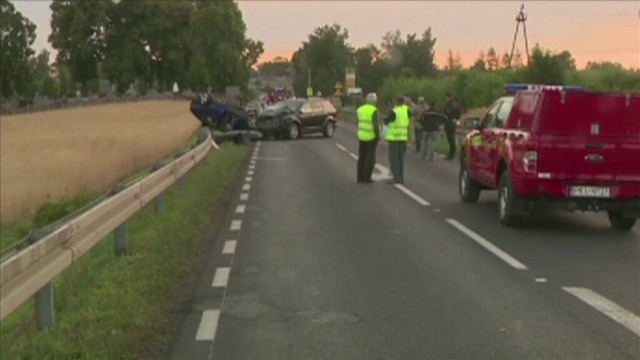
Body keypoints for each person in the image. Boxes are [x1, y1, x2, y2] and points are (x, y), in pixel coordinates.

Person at [383, 96, 410, 184]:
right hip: (403, 137)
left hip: (394, 138)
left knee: (394, 159)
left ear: (397, 102)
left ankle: (396, 178)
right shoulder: (407, 110)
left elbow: (386, 121)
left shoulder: (394, 111)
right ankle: (401, 177)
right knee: (400, 158)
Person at [356, 93, 381, 184]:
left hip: (361, 135)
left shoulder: (360, 109)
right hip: (371, 136)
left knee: (361, 157)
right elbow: (376, 125)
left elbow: (357, 122)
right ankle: (367, 177)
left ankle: (360, 177)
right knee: (370, 158)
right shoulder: (374, 110)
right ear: (374, 101)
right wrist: (378, 136)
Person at [443, 92, 462, 160]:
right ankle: (452, 154)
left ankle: (451, 154)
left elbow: (447, 113)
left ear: (448, 97)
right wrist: (456, 119)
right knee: (452, 138)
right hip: (454, 121)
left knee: (450, 139)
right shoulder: (456, 104)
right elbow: (459, 113)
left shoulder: (449, 105)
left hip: (449, 122)